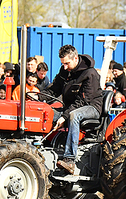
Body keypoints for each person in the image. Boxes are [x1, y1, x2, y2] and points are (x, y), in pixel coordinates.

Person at [42, 45, 102, 175]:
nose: (64, 67)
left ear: (75, 58)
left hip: (91, 107)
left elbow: (83, 101)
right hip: (70, 107)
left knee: (74, 115)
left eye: (67, 63)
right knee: (47, 113)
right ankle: (42, 148)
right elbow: (54, 89)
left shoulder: (90, 74)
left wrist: (65, 115)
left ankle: (70, 159)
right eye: (63, 64)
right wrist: (38, 98)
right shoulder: (65, 71)